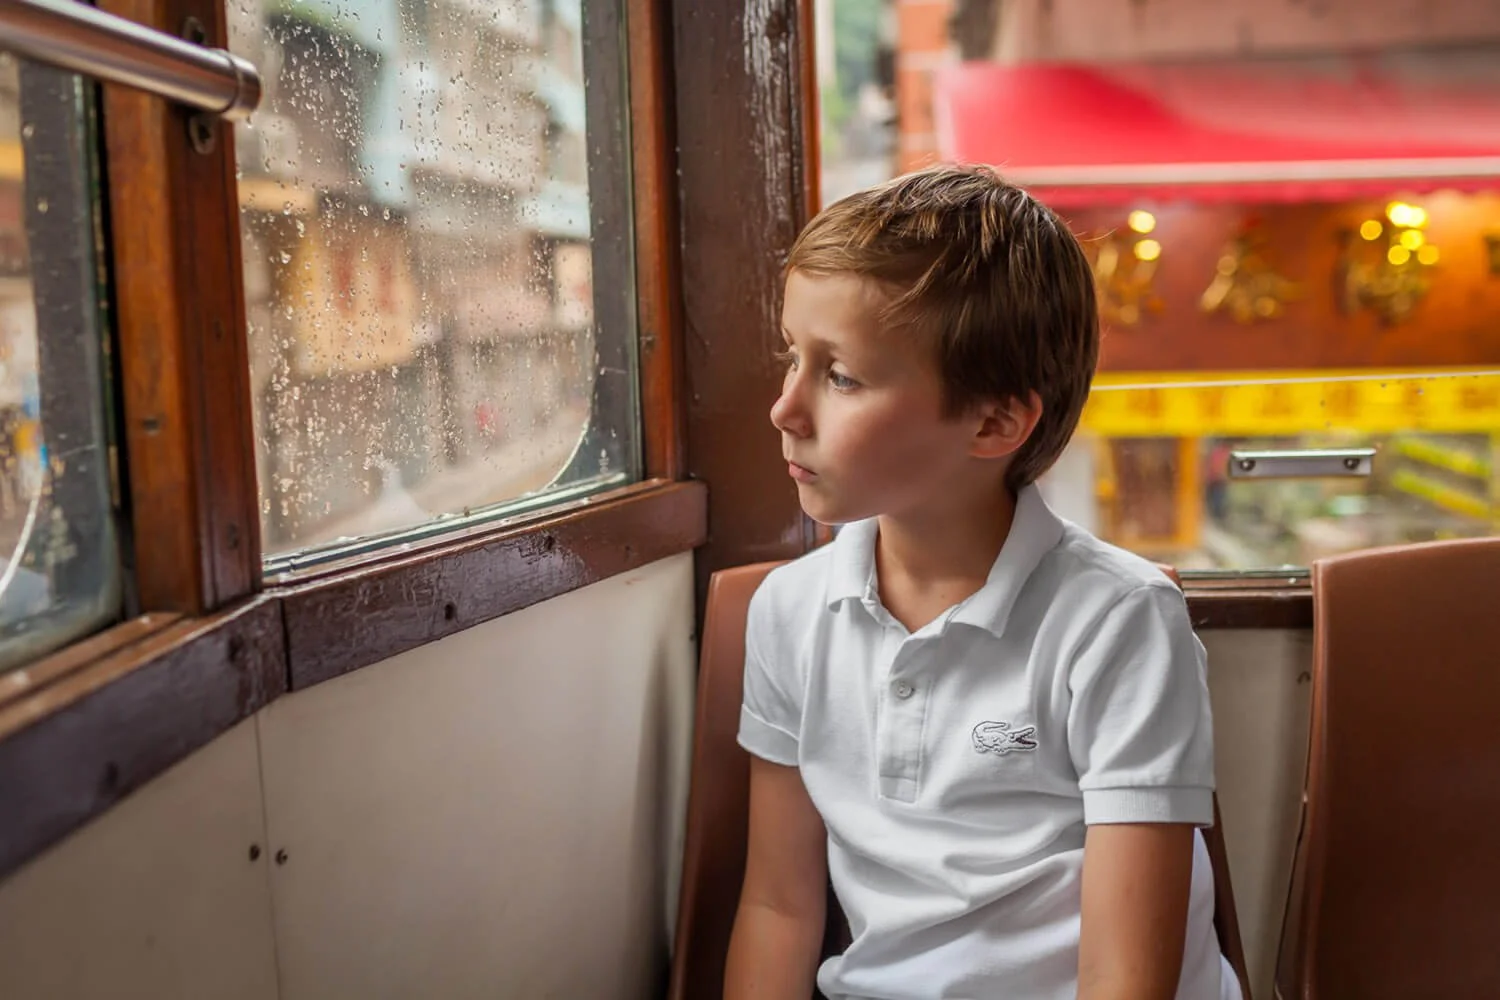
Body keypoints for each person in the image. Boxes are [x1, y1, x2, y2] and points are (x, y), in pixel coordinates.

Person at [725, 165, 1235, 1000]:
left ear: (994, 422)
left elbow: (1123, 980)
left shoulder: (1119, 621)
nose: (786, 408)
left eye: (840, 375)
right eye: (794, 358)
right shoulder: (789, 612)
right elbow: (779, 905)